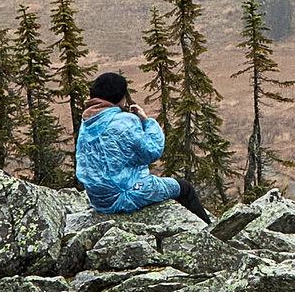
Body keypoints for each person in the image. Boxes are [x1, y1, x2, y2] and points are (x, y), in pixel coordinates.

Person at [75, 70, 214, 224]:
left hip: (99, 199)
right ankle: (211, 233)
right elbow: (152, 151)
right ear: (120, 96)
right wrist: (146, 121)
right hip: (124, 195)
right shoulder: (123, 121)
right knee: (184, 188)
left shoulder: (87, 122)